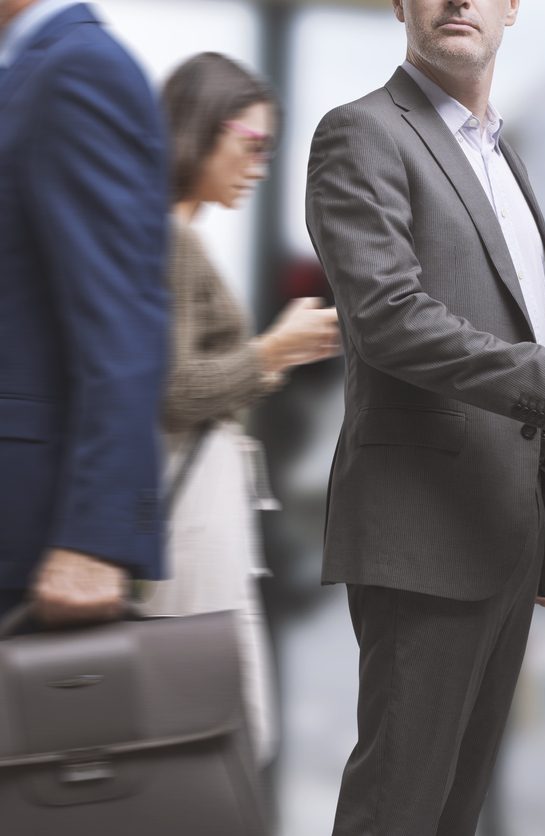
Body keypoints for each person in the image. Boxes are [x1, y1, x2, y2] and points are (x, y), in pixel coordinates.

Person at [305, 0, 545, 832]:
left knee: (458, 815)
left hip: (505, 539)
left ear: (514, 6)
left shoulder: (504, 158)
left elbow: (530, 328)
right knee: (397, 811)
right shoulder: (359, 133)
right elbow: (391, 320)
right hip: (421, 539)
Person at [137, 52, 342, 767]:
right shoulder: (163, 235)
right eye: (249, 143)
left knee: (220, 721)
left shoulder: (176, 233)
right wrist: (273, 352)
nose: (259, 164)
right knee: (226, 724)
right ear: (198, 128)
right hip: (189, 509)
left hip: (204, 502)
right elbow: (174, 390)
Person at [0, 0, 168, 624]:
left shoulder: (80, 70)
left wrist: (97, 536)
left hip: (32, 539)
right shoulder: (26, 74)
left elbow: (120, 314)